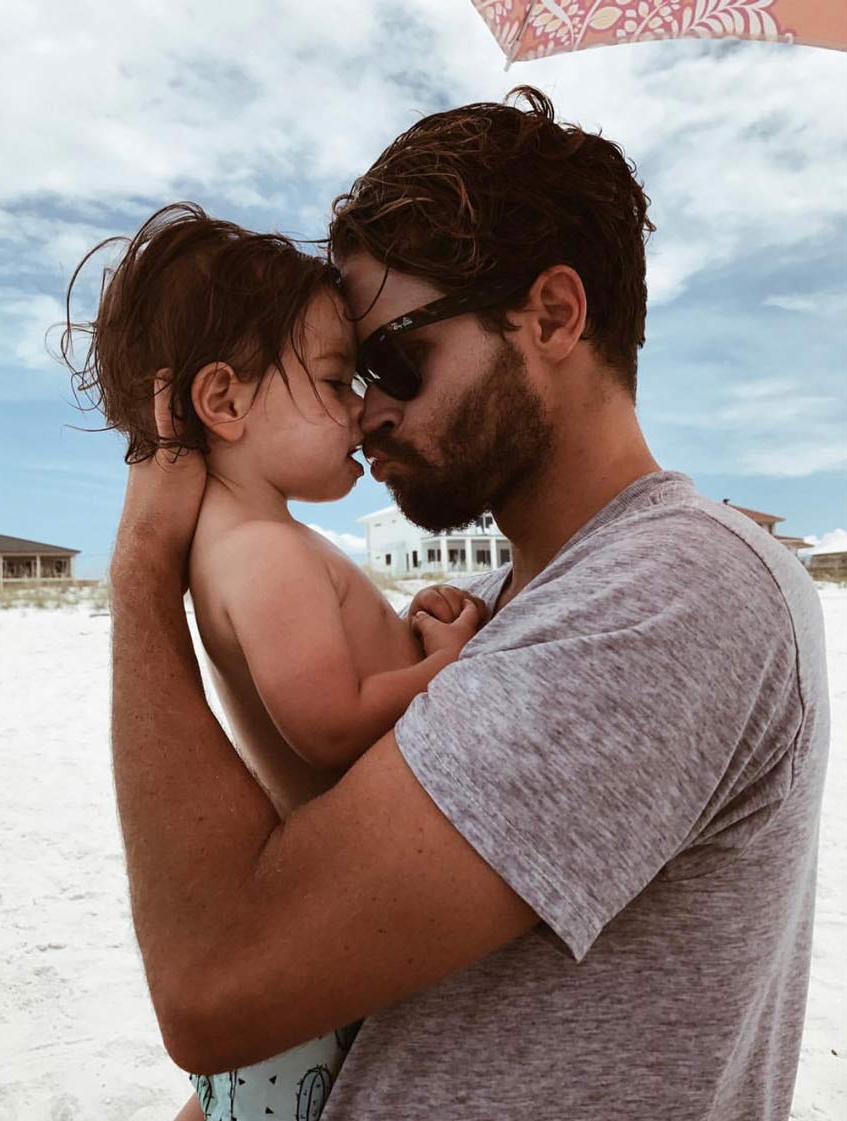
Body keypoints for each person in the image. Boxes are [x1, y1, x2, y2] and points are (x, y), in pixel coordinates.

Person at [108, 88, 829, 1120]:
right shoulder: (495, 607)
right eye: (351, 371)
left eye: (396, 356)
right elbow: (352, 969)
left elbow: (216, 985)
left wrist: (143, 564)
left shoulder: (669, 595)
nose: (368, 407)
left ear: (552, 315)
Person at [62, 204, 486, 1120]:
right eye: (336, 381)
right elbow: (331, 722)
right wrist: (443, 667)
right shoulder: (264, 550)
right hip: (311, 976)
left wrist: (409, 628)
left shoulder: (247, 542)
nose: (359, 410)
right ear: (223, 402)